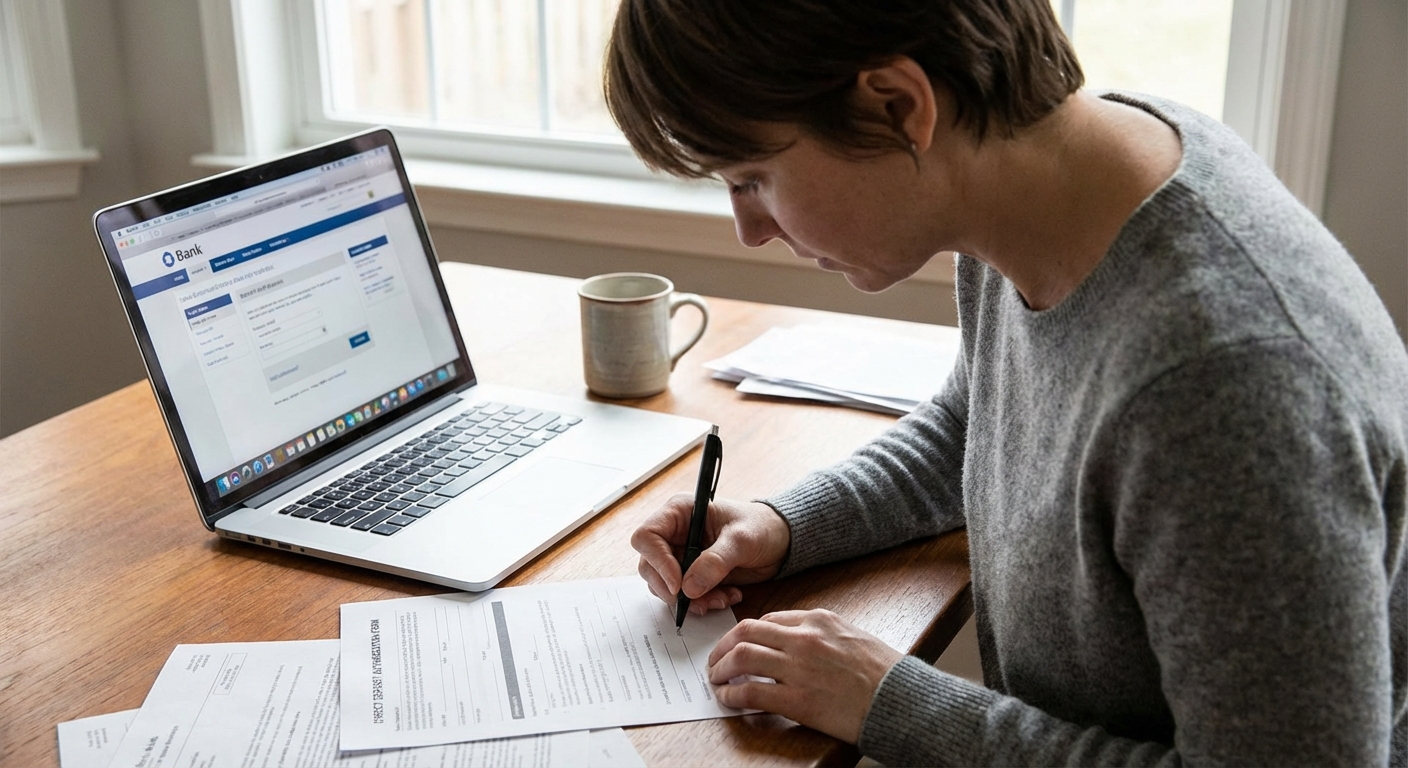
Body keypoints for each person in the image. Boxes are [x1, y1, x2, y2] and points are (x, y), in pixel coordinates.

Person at [604, 1, 1407, 766]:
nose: (749, 230)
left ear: (896, 106)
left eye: (752, 177)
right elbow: (980, 416)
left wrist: (890, 701)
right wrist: (785, 525)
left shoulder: (1225, 390)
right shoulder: (1055, 190)